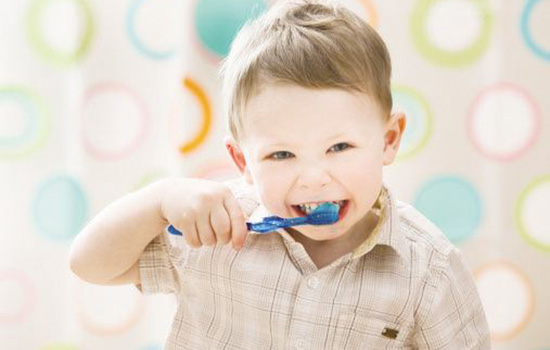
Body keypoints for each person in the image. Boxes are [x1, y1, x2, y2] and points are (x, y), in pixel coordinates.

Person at [69, 0, 491, 348]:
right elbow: (90, 265)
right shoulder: (216, 232)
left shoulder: (428, 269)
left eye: (339, 147)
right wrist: (159, 201)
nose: (313, 177)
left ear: (389, 139)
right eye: (281, 154)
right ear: (241, 162)